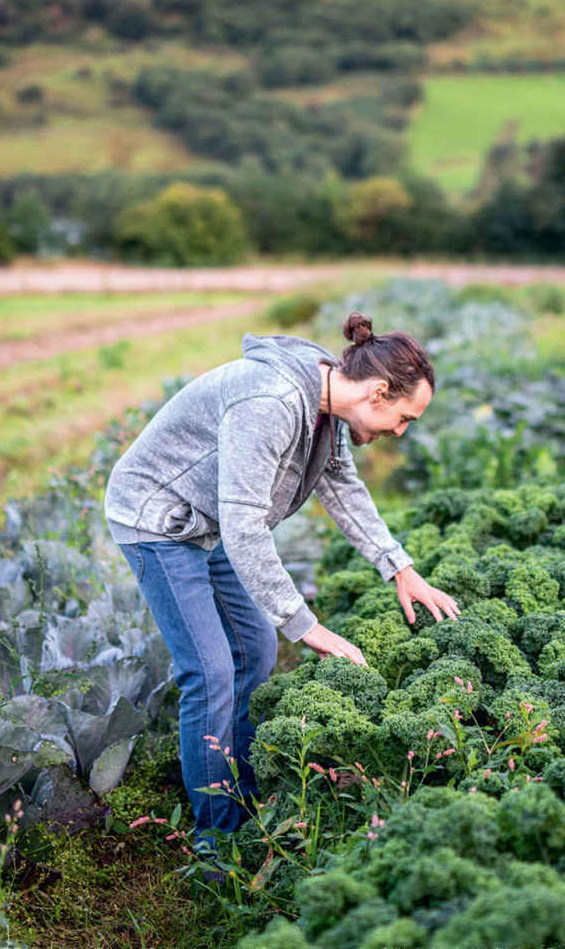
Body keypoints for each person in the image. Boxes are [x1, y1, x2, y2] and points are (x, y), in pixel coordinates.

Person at [103, 310, 460, 859]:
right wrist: (308, 627)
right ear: (380, 392)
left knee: (256, 648)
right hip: (160, 521)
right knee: (211, 670)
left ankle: (243, 789)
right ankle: (215, 837)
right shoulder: (270, 402)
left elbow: (340, 485)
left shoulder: (326, 406)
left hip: (211, 521)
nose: (400, 431)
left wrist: (400, 568)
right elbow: (245, 524)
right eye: (405, 417)